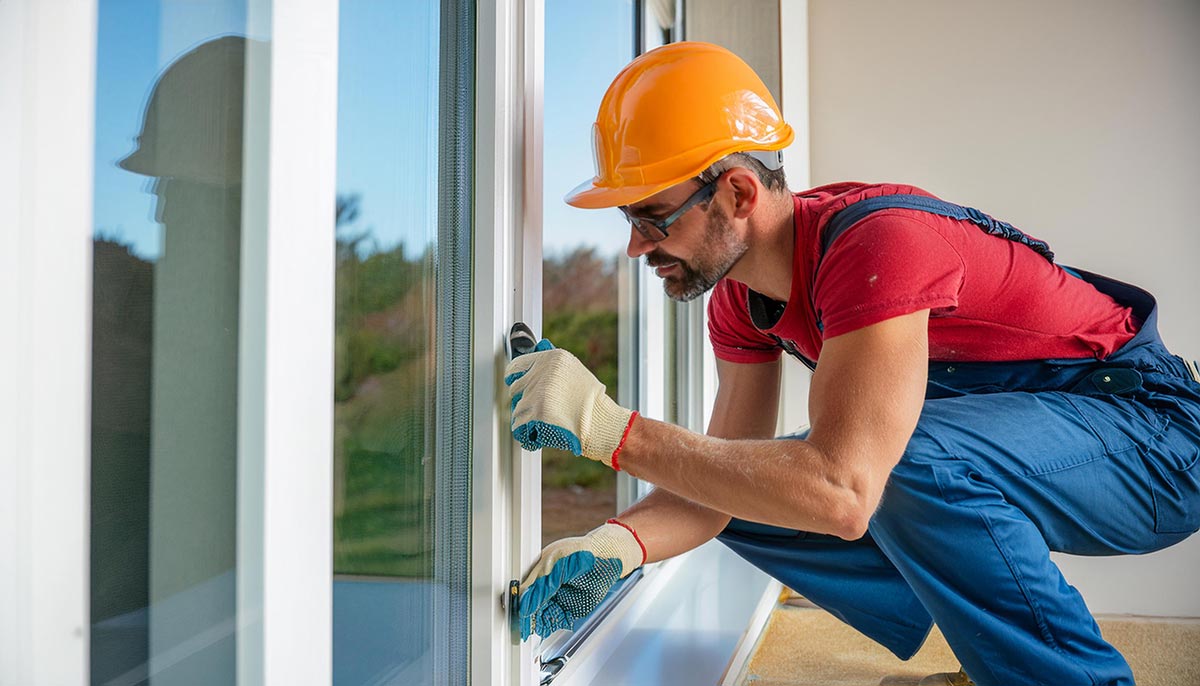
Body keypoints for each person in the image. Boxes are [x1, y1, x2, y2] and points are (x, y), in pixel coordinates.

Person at [505, 41, 1200, 686]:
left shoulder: (878, 245)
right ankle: (1003, 659)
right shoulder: (742, 302)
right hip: (1057, 440)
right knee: (739, 478)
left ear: (739, 195)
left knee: (871, 469)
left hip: (1157, 439)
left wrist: (610, 429)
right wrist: (619, 544)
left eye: (652, 217)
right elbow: (721, 479)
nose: (634, 247)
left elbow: (842, 491)